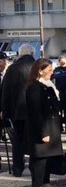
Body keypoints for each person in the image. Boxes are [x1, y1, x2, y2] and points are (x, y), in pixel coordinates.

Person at [25, 59, 64, 187]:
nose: (52, 72)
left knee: (48, 158)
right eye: (49, 70)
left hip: (51, 126)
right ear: (40, 70)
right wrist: (43, 132)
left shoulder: (47, 85)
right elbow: (36, 112)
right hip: (42, 128)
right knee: (39, 159)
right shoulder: (34, 88)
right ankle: (38, 185)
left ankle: (45, 181)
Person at [1, 44, 37, 177]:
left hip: (17, 111)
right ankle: (35, 168)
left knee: (18, 140)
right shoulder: (37, 66)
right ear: (33, 54)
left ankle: (17, 168)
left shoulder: (12, 69)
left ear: (20, 54)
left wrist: (4, 112)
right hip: (34, 111)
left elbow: (5, 92)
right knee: (34, 140)